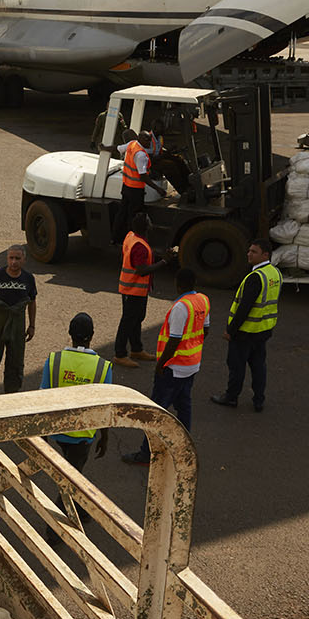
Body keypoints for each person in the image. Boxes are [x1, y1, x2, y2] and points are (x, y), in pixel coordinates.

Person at [123, 269, 209, 466]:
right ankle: (184, 449)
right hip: (191, 365)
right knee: (184, 408)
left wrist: (160, 365)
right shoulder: (203, 300)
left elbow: (174, 340)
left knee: (156, 412)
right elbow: (205, 330)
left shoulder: (180, 307)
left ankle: (146, 453)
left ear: (178, 284)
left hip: (173, 368)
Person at [211, 238, 281, 412]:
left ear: (265, 254)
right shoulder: (275, 274)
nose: (249, 254)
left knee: (236, 366)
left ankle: (231, 397)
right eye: (249, 251)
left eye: (254, 252)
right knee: (258, 367)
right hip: (263, 330)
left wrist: (230, 330)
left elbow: (244, 308)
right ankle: (259, 400)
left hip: (245, 332)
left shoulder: (255, 277)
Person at [40, 312, 112, 473]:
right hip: (83, 435)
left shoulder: (54, 360)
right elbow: (105, 408)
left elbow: (43, 398)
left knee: (66, 475)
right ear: (92, 335)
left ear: (69, 333)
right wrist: (104, 437)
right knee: (72, 480)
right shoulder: (103, 367)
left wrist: (42, 435)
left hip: (56, 430)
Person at [112, 212, 175, 368]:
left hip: (133, 288)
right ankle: (119, 354)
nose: (151, 222)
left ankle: (136, 349)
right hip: (133, 289)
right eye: (149, 220)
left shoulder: (132, 237)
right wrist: (164, 262)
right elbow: (142, 270)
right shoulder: (139, 246)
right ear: (147, 227)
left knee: (137, 318)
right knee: (128, 321)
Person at [0, 245, 36, 394]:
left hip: (17, 325)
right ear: (7, 259)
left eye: (17, 258)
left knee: (15, 363)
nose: (13, 262)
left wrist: (32, 326)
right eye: (11, 258)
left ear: (24, 260)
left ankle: (11, 395)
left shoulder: (28, 279)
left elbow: (32, 302)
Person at [114, 130, 154, 243]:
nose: (149, 142)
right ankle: (131, 239)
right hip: (135, 190)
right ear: (140, 139)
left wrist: (104, 148)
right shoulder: (141, 155)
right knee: (134, 216)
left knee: (122, 212)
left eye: (150, 139)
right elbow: (143, 177)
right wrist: (158, 189)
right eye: (147, 140)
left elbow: (117, 148)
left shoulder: (132, 144)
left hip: (126, 186)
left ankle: (116, 237)